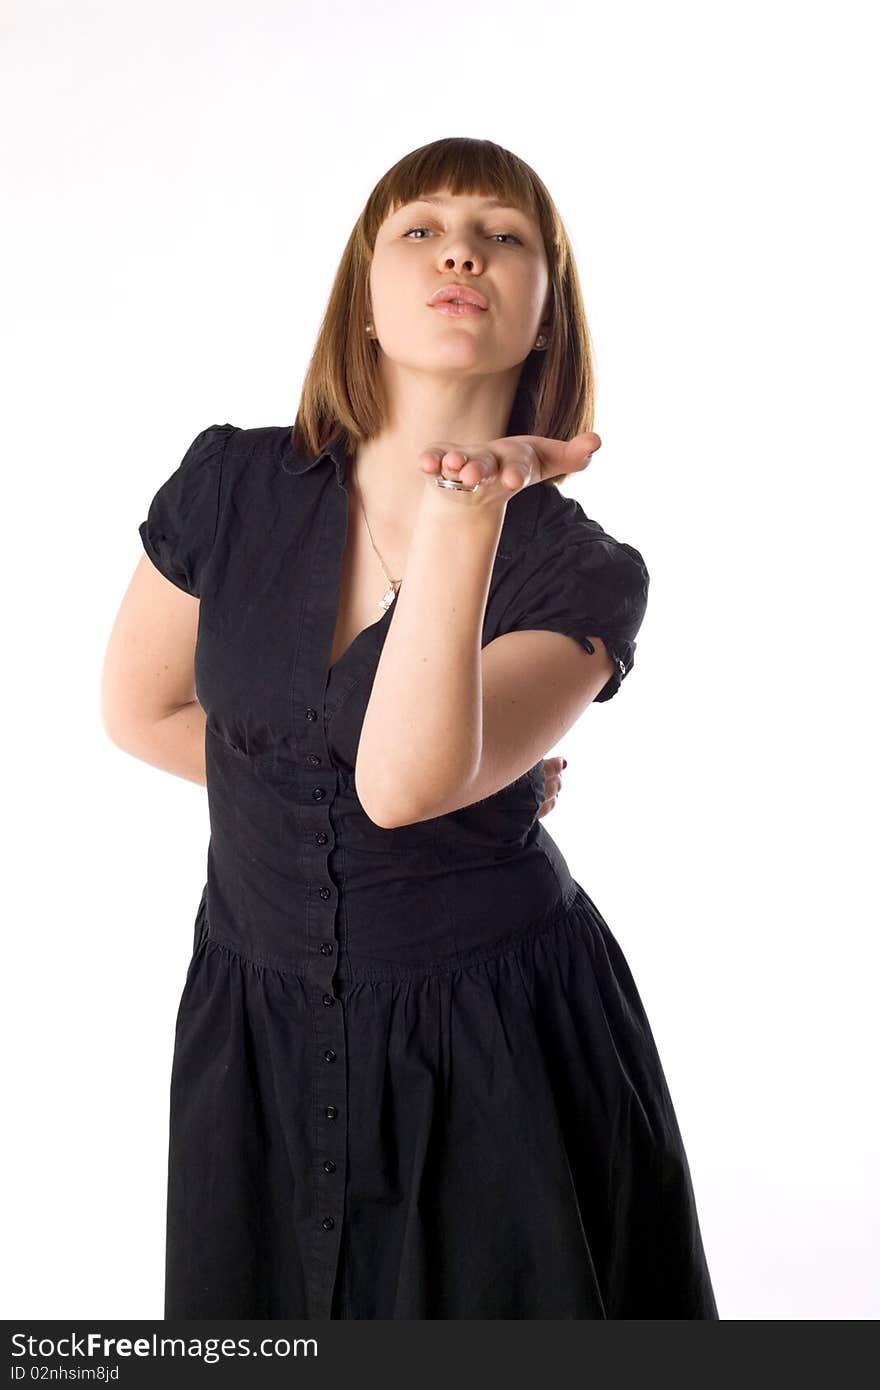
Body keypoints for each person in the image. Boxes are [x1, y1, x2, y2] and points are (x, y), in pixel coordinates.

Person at [101, 136, 719, 1319]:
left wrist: (464, 509)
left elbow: (396, 786)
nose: (461, 253)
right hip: (255, 1030)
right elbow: (142, 709)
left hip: (494, 1041)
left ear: (544, 316)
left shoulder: (583, 577)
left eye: (503, 236)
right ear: (366, 303)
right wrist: (317, 810)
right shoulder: (229, 485)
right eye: (422, 230)